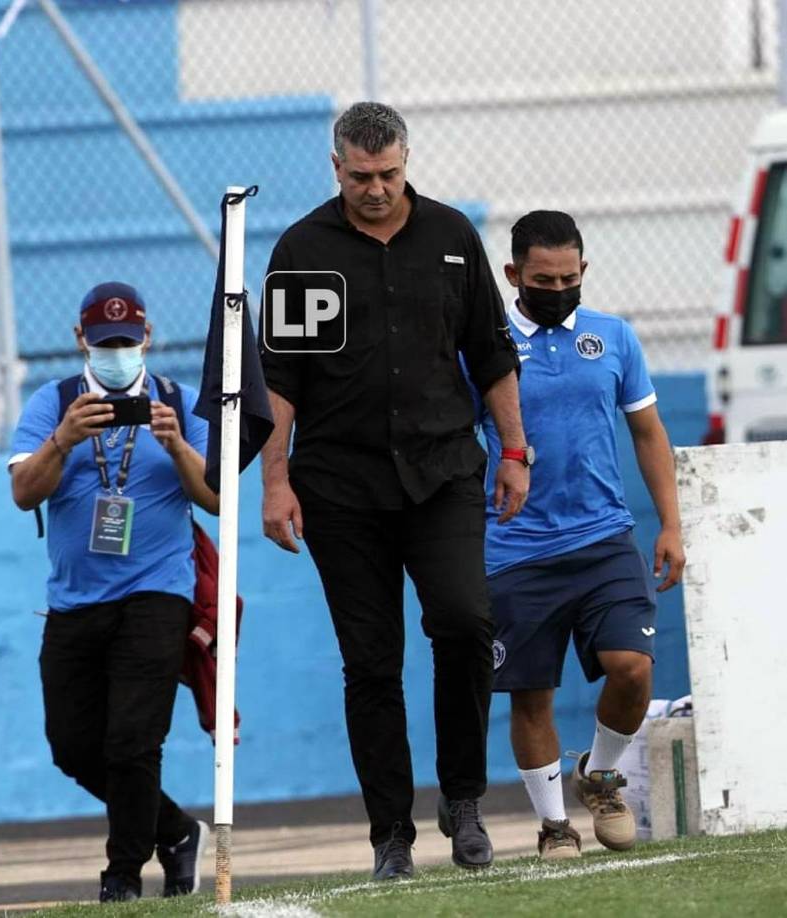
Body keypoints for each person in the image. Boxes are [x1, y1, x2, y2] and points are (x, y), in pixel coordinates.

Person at [258, 102, 529, 880]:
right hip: (340, 486)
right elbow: (281, 381)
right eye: (359, 177)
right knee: (370, 662)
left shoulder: (450, 238)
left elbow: (490, 352)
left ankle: (465, 800)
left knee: (464, 622)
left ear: (406, 162)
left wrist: (512, 450)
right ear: (334, 167)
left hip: (443, 470)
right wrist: (275, 481)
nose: (375, 190)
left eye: (388, 175)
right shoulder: (301, 249)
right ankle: (390, 836)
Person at [478, 211, 686, 860]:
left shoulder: (613, 338)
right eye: (544, 278)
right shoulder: (481, 347)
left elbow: (647, 433)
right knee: (530, 694)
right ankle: (552, 827)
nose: (559, 287)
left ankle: (599, 776)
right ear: (513, 274)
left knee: (631, 670)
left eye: (570, 277)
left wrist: (671, 524)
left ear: (583, 270)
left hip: (604, 538)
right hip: (514, 547)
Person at [8, 282, 218, 901]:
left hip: (158, 592)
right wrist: (64, 439)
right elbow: (24, 493)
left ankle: (122, 876)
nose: (117, 352)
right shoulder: (53, 402)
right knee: (73, 747)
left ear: (148, 337)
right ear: (81, 341)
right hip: (74, 600)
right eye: (105, 343)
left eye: (127, 342)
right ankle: (175, 830)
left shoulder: (179, 403)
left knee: (133, 740)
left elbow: (215, 498)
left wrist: (177, 445)